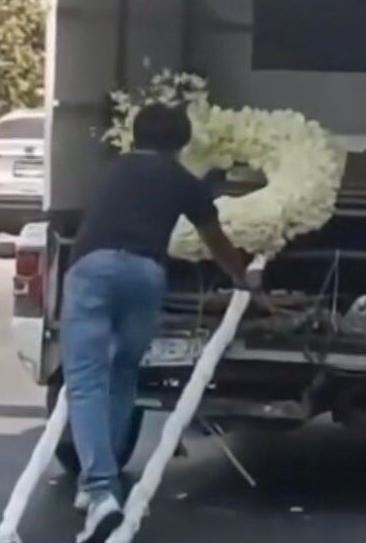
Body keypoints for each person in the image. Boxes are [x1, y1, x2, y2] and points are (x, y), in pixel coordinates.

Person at [61, 104, 251, 543]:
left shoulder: (109, 171)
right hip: (145, 275)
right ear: (182, 143)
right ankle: (99, 487)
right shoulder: (184, 181)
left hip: (91, 270)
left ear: (135, 136)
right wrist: (244, 279)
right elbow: (217, 243)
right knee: (124, 372)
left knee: (86, 380)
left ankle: (98, 488)